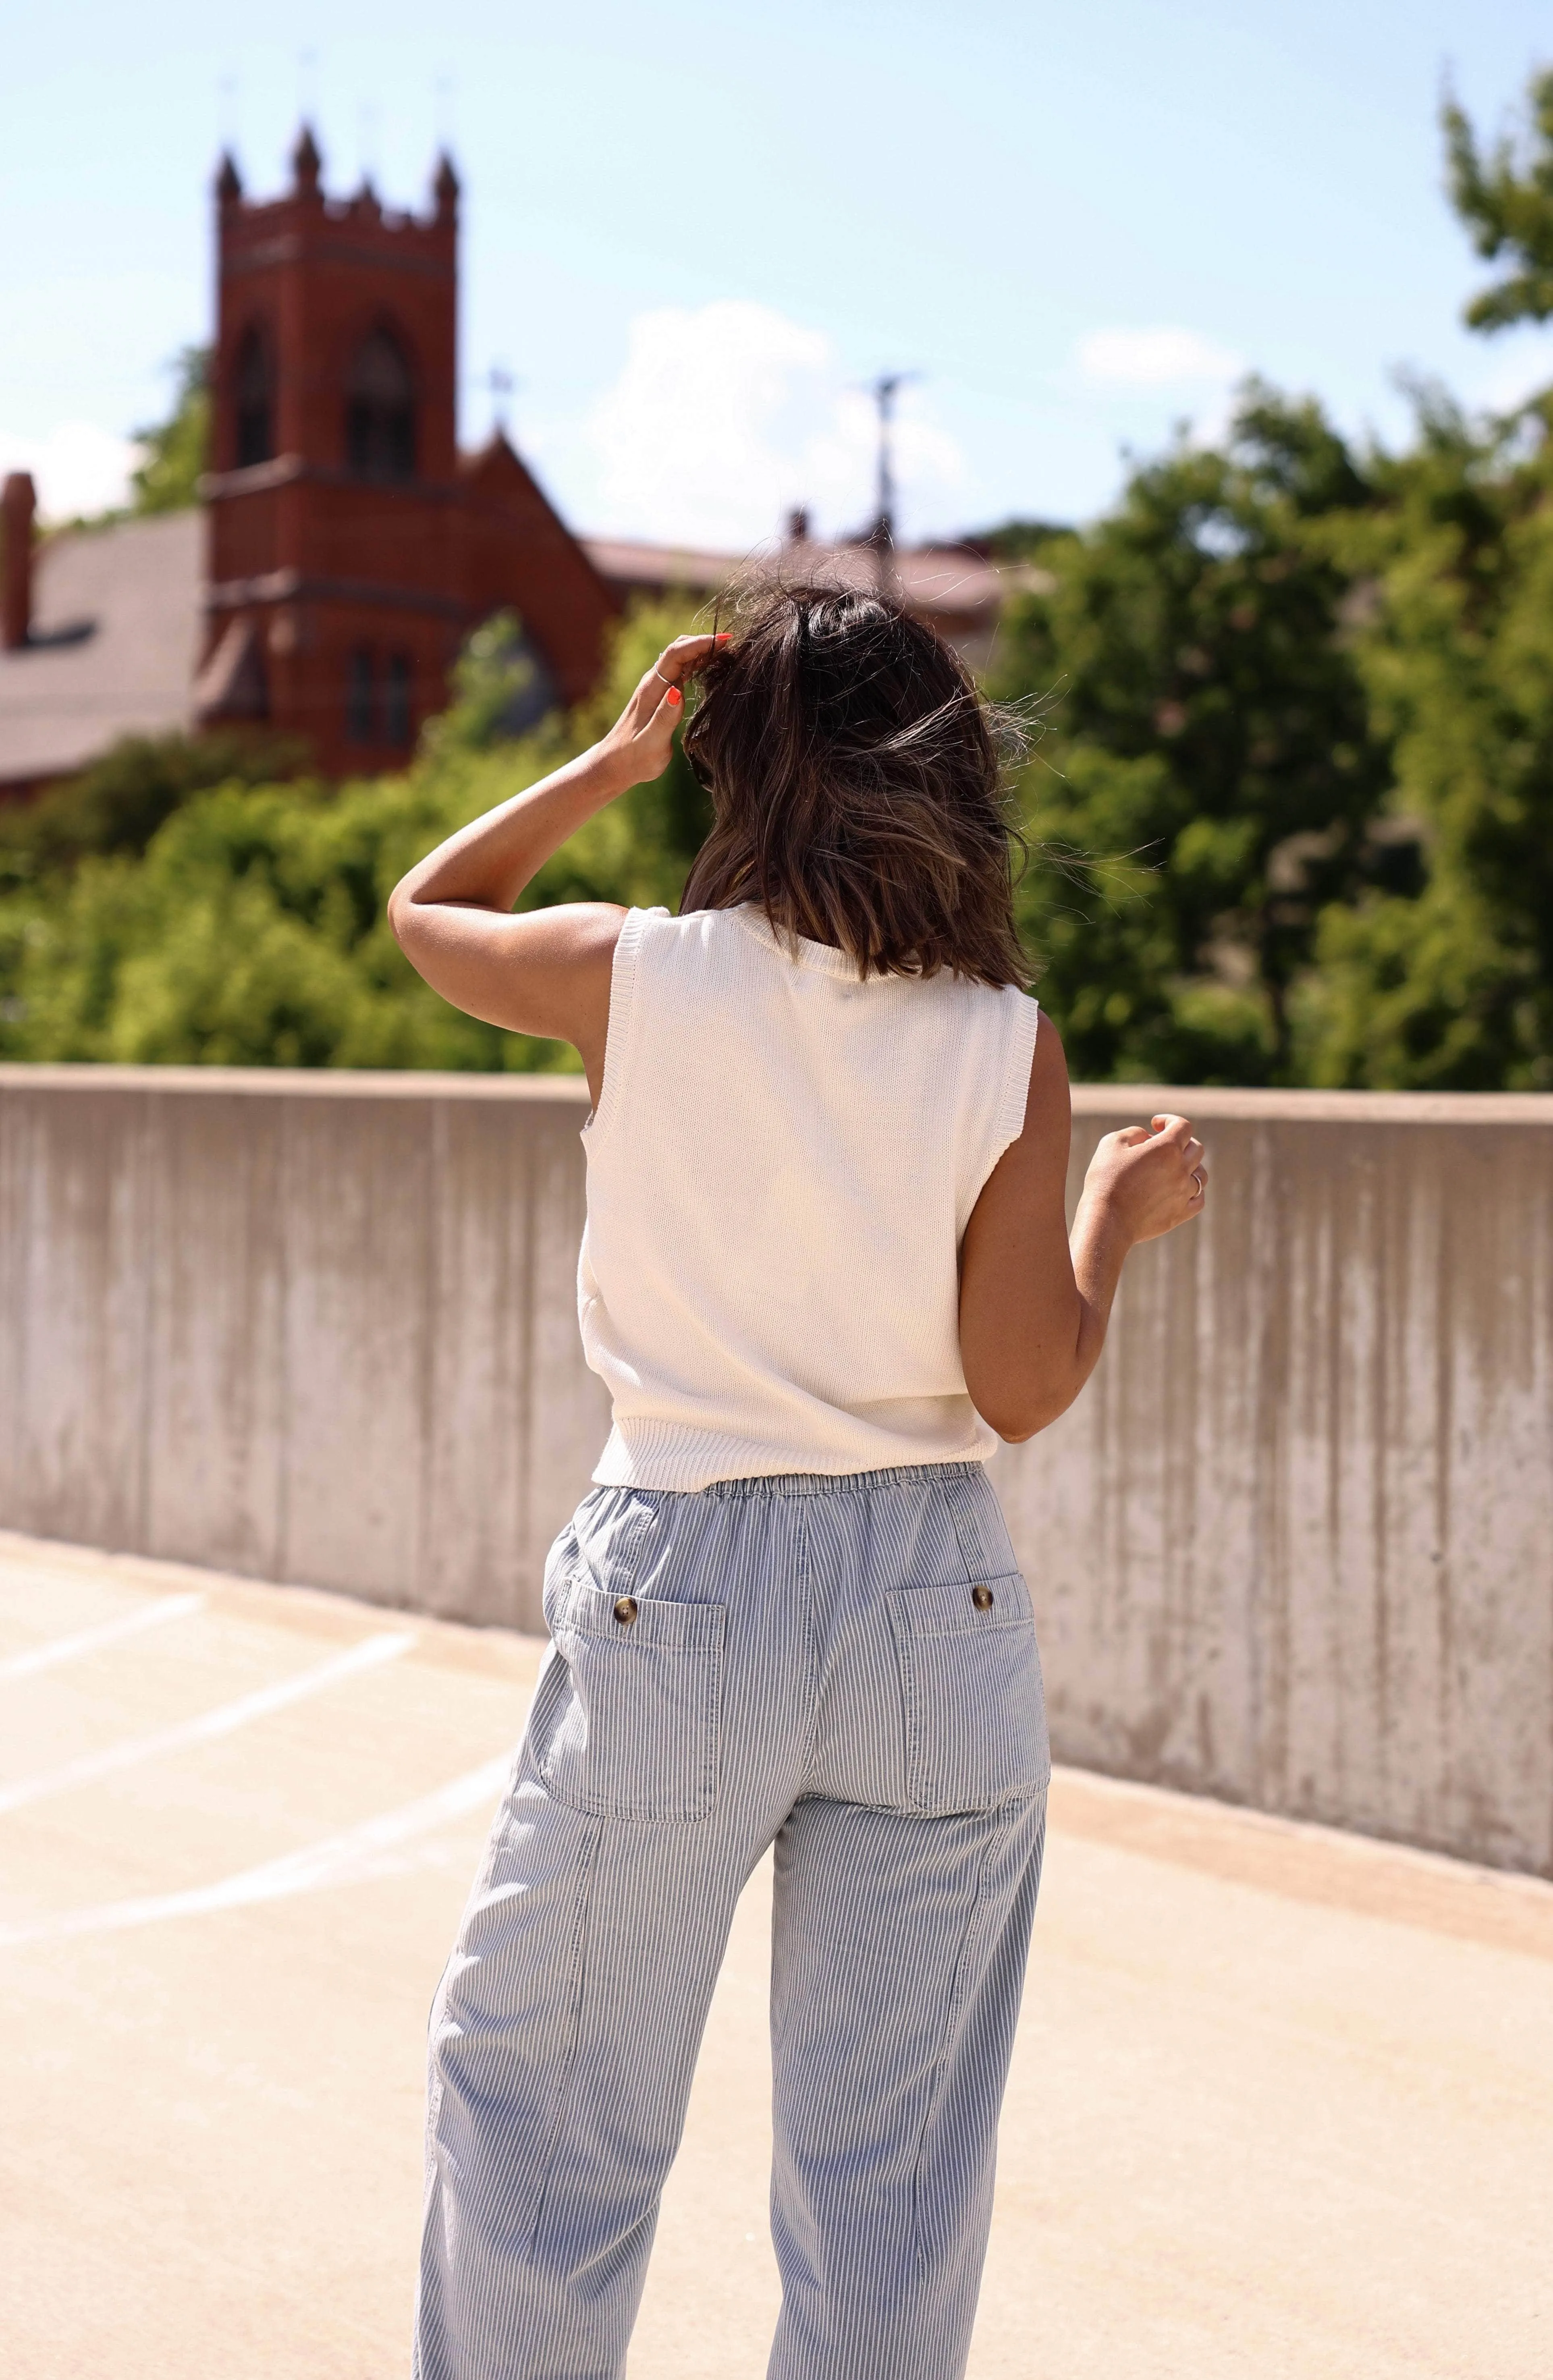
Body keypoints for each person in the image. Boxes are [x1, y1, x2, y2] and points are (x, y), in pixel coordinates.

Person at [388, 585, 1206, 2380]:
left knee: (547, 2139)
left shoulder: (639, 978)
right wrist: (1110, 1227)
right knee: (889, 2193)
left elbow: (426, 912)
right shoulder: (1007, 1039)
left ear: (740, 767)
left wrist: (610, 762)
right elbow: (1018, 1385)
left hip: (681, 1593)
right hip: (937, 1610)